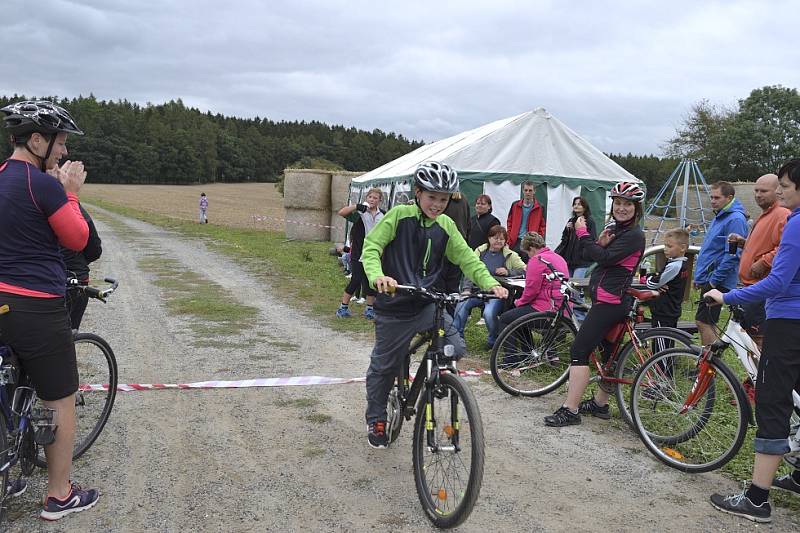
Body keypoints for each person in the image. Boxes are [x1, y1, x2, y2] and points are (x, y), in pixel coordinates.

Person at [361, 161, 508, 448]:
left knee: (456, 347)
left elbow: (467, 258)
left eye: (443, 199)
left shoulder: (446, 225)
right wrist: (378, 276)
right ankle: (376, 417)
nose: (437, 205)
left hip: (428, 304)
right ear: (418, 193)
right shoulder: (399, 216)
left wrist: (489, 282)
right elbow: (372, 248)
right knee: (383, 367)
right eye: (432, 197)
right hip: (395, 306)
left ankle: (436, 380)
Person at [0, 100, 100, 519]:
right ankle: (60, 494)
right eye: (59, 143)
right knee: (59, 395)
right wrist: (70, 193)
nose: (62, 152)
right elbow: (78, 239)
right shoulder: (41, 185)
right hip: (37, 306)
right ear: (36, 141)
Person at [705, 159, 800, 524]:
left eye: (787, 186)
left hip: (788, 321)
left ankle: (757, 499)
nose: (780, 192)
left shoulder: (794, 223)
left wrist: (726, 297)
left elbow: (778, 282)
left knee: (773, 403)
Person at [543, 182, 646, 427]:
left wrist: (583, 235)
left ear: (636, 208)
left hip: (610, 302)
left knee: (579, 351)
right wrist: (598, 242)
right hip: (607, 299)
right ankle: (600, 404)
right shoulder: (617, 230)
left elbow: (605, 259)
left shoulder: (633, 235)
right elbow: (592, 256)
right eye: (618, 203)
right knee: (608, 354)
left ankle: (571, 410)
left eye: (627, 204)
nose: (621, 208)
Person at [726, 173, 790, 402]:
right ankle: (754, 380)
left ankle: (760, 386)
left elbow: (786, 247)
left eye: (764, 191)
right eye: (756, 190)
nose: (758, 194)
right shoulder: (764, 215)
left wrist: (763, 263)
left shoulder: (782, 214)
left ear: (777, 191)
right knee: (751, 339)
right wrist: (744, 243)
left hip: (761, 289)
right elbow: (767, 244)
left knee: (758, 341)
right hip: (750, 286)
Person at [693, 181, 749, 347]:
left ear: (729, 197)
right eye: (711, 197)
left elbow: (732, 255)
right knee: (707, 323)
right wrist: (700, 276)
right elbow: (710, 250)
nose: (713, 200)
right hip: (711, 278)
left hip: (719, 281)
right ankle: (709, 367)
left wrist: (713, 281)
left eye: (717, 197)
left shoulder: (735, 219)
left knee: (704, 322)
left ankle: (709, 367)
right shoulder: (721, 216)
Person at [452, 226, 525, 349]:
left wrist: (508, 271)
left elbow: (525, 270)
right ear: (489, 238)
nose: (499, 241)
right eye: (495, 238)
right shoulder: (480, 251)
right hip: (476, 290)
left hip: (497, 293)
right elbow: (469, 270)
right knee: (461, 306)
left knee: (489, 314)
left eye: (502, 239)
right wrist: (466, 289)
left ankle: (494, 339)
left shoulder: (510, 255)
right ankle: (457, 339)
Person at [497, 231, 570, 340]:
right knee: (519, 315)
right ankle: (528, 351)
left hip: (547, 311)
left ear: (532, 248)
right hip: (564, 310)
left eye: (527, 253)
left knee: (505, 319)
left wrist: (519, 302)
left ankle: (511, 357)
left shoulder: (537, 260)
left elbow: (532, 290)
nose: (528, 256)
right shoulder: (558, 257)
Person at [336, 188, 384, 320]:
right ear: (366, 198)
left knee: (371, 282)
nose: (372, 200)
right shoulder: (360, 213)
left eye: (375, 198)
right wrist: (356, 206)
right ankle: (342, 307)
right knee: (356, 280)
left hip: (374, 254)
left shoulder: (383, 215)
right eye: (370, 197)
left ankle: (370, 309)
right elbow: (341, 212)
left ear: (380, 200)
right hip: (358, 252)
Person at [644, 228, 690, 351]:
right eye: (665, 245)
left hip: (664, 311)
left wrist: (647, 278)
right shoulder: (680, 263)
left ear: (682, 248)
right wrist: (656, 278)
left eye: (669, 246)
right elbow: (659, 277)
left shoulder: (674, 266)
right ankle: (665, 367)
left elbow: (654, 283)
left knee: (660, 346)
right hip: (671, 309)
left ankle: (661, 370)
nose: (665, 249)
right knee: (667, 344)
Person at [62, 202, 103, 329]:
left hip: (30, 280)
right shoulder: (71, 205)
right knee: (68, 334)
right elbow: (94, 249)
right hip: (74, 278)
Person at [506, 181, 546, 261]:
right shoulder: (515, 205)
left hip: (530, 242)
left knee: (528, 266)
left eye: (530, 190)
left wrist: (537, 239)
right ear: (523, 191)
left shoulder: (540, 207)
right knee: (513, 265)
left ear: (534, 191)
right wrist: (509, 238)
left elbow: (542, 226)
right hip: (515, 241)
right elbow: (509, 222)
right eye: (526, 190)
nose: (528, 193)